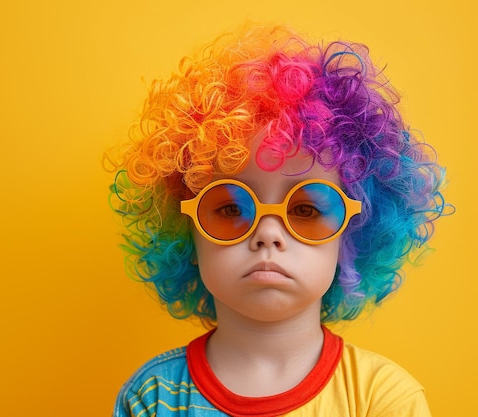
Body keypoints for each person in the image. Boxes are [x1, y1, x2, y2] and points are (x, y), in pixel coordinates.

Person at [105, 22, 452, 416]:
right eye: (231, 208)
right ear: (186, 232)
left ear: (351, 236)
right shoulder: (152, 398)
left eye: (306, 210)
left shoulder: (383, 399)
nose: (268, 234)